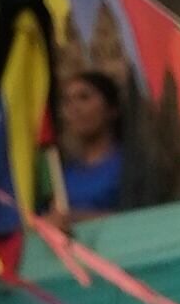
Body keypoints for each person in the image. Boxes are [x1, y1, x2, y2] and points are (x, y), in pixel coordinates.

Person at [53, 61, 129, 215]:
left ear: (111, 109)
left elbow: (142, 218)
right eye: (67, 101)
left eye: (84, 97)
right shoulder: (63, 176)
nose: (74, 108)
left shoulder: (129, 166)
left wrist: (78, 219)